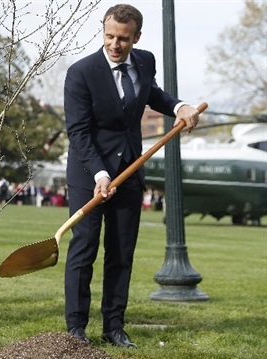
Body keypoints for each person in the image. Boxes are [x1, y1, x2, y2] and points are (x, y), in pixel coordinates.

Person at [62, 4, 199, 348]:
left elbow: (151, 93)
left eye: (123, 38)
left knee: (121, 253)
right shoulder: (81, 73)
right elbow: (78, 133)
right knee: (85, 249)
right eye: (109, 36)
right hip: (88, 174)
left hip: (129, 172)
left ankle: (114, 327)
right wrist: (99, 173)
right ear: (103, 31)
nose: (115, 44)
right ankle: (76, 330)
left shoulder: (144, 61)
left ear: (136, 37)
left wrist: (178, 106)